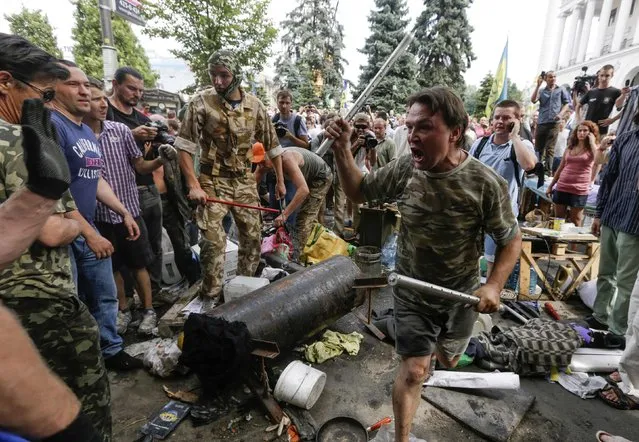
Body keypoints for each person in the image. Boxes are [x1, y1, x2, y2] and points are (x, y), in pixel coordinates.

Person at [326, 86, 521, 442]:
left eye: (425, 127)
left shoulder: (485, 183)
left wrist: (492, 285)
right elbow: (359, 191)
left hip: (460, 295)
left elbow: (511, 240)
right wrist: (342, 151)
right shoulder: (405, 169)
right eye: (410, 126)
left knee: (446, 360)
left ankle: (446, 350)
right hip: (412, 290)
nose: (413, 136)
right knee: (415, 370)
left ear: (455, 132)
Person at [0, 34, 112, 439]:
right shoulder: (17, 140)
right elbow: (49, 230)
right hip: (37, 295)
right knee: (76, 408)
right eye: (43, 92)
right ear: (4, 82)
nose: (47, 102)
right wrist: (71, 223)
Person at [51, 61, 143, 370]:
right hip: (61, 231)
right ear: (53, 87)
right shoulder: (52, 126)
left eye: (86, 84)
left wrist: (123, 211)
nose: (84, 91)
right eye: (73, 84)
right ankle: (78, 360)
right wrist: (89, 234)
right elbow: (56, 191)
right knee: (71, 301)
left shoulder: (87, 133)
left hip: (85, 226)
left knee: (105, 295)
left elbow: (97, 179)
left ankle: (111, 349)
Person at [175, 50, 285, 310]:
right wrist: (193, 184)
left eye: (224, 75)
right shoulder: (201, 103)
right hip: (212, 180)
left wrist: (280, 181)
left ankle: (244, 289)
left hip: (244, 180)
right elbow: (184, 145)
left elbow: (273, 146)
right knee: (213, 242)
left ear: (236, 75)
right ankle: (209, 297)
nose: (218, 81)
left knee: (253, 236)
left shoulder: (255, 106)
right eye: (214, 75)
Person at [83, 78, 176, 334]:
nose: (102, 104)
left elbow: (140, 166)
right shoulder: (78, 135)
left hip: (130, 211)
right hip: (99, 215)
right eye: (95, 99)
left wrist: (160, 160)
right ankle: (123, 310)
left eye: (103, 98)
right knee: (113, 266)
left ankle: (148, 310)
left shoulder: (120, 131)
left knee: (140, 263)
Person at [106, 67, 164, 299]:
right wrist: (132, 134)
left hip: (146, 187)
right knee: (124, 251)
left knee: (153, 245)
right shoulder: (104, 111)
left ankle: (155, 292)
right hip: (116, 193)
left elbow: (143, 162)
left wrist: (162, 149)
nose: (136, 94)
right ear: (115, 84)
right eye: (131, 88)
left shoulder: (143, 119)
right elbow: (99, 139)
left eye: (140, 90)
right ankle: (127, 298)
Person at [469, 100, 536, 277]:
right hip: (475, 212)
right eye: (497, 117)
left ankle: (489, 298)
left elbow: (529, 165)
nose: (500, 121)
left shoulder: (522, 145)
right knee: (468, 258)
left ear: (517, 120)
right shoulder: (480, 144)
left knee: (493, 262)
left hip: (501, 215)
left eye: (506, 118)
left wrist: (514, 136)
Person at [587, 113, 639, 336]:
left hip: (635, 222)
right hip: (613, 213)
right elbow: (608, 177)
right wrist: (599, 214)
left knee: (625, 281)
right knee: (606, 272)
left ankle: (618, 330)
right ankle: (600, 317)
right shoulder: (626, 139)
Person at [254, 144, 332, 255]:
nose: (260, 166)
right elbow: (252, 183)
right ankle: (317, 244)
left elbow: (304, 190)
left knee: (303, 219)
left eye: (262, 162)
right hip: (305, 175)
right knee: (309, 217)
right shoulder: (264, 162)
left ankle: (297, 256)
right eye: (258, 163)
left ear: (272, 156)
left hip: (320, 176)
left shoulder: (287, 159)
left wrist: (285, 214)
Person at [546, 121, 600, 227]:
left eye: (585, 131)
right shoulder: (570, 147)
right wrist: (551, 186)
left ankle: (574, 244)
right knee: (558, 220)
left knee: (576, 220)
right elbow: (560, 168)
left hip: (580, 189)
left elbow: (598, 161)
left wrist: (592, 142)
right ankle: (557, 244)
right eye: (580, 130)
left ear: (591, 133)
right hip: (562, 186)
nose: (582, 133)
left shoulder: (593, 149)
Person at [531, 71, 572, 170]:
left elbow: (567, 104)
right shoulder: (541, 90)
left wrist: (561, 114)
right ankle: (536, 169)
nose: (553, 78)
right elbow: (533, 100)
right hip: (541, 122)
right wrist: (537, 85)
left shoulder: (561, 90)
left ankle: (547, 171)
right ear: (546, 79)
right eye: (550, 77)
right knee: (538, 148)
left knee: (550, 148)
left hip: (554, 123)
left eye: (554, 76)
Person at [576, 65, 622, 136]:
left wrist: (613, 120)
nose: (603, 78)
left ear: (612, 75)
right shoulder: (591, 92)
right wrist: (579, 120)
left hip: (601, 132)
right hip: (586, 130)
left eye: (607, 76)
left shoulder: (616, 92)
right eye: (601, 75)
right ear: (598, 76)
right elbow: (578, 106)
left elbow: (627, 108)